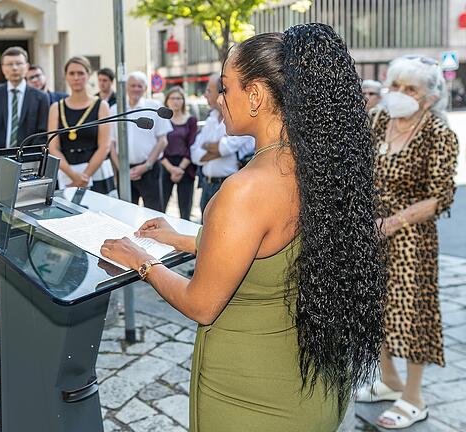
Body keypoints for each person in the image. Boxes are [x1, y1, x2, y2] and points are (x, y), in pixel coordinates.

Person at [101, 24, 386, 431]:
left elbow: (201, 303)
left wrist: (142, 261)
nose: (217, 100)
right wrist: (182, 238)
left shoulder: (246, 189)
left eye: (225, 87)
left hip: (250, 399)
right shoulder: (324, 167)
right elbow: (268, 248)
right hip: (313, 386)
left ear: (255, 95)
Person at [357, 55, 459, 429]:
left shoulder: (438, 134)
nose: (398, 94)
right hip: (372, 231)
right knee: (375, 309)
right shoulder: (379, 119)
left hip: (411, 239)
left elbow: (440, 197)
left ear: (429, 97)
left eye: (410, 88)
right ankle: (389, 380)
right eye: (395, 85)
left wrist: (393, 222)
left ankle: (414, 397)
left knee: (413, 316)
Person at [47, 56, 116, 195]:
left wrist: (85, 176)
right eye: (72, 73)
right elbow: (53, 147)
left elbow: (105, 146)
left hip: (97, 171)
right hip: (67, 171)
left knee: (101, 214)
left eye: (80, 73)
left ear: (88, 75)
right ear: (66, 76)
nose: (76, 78)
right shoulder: (56, 107)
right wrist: (73, 175)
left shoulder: (101, 105)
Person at [190, 73, 255, 213]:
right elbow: (195, 154)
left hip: (227, 185)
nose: (205, 95)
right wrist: (217, 150)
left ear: (221, 92)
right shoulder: (211, 118)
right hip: (207, 185)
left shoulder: (240, 119)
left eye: (208, 91)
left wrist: (213, 148)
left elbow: (225, 148)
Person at [110, 71, 173, 211]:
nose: (136, 89)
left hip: (150, 170)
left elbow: (163, 141)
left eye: (140, 86)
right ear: (126, 87)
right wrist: (121, 168)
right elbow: (111, 144)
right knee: (126, 213)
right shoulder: (115, 109)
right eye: (132, 85)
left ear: (145, 88)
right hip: (125, 170)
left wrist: (146, 165)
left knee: (154, 212)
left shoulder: (155, 107)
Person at [0, 46, 50, 150]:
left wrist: (28, 157)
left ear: (26, 67)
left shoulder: (41, 97)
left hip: (30, 160)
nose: (14, 68)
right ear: (2, 68)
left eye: (19, 63)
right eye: (9, 64)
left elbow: (42, 133)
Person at [160, 86, 197, 219]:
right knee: (161, 207)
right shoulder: (162, 120)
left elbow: (192, 145)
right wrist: (171, 169)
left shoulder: (191, 120)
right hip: (165, 166)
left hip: (185, 167)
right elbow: (158, 146)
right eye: (172, 98)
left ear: (183, 101)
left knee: (185, 210)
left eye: (179, 98)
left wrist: (180, 168)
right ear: (167, 101)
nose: (176, 101)